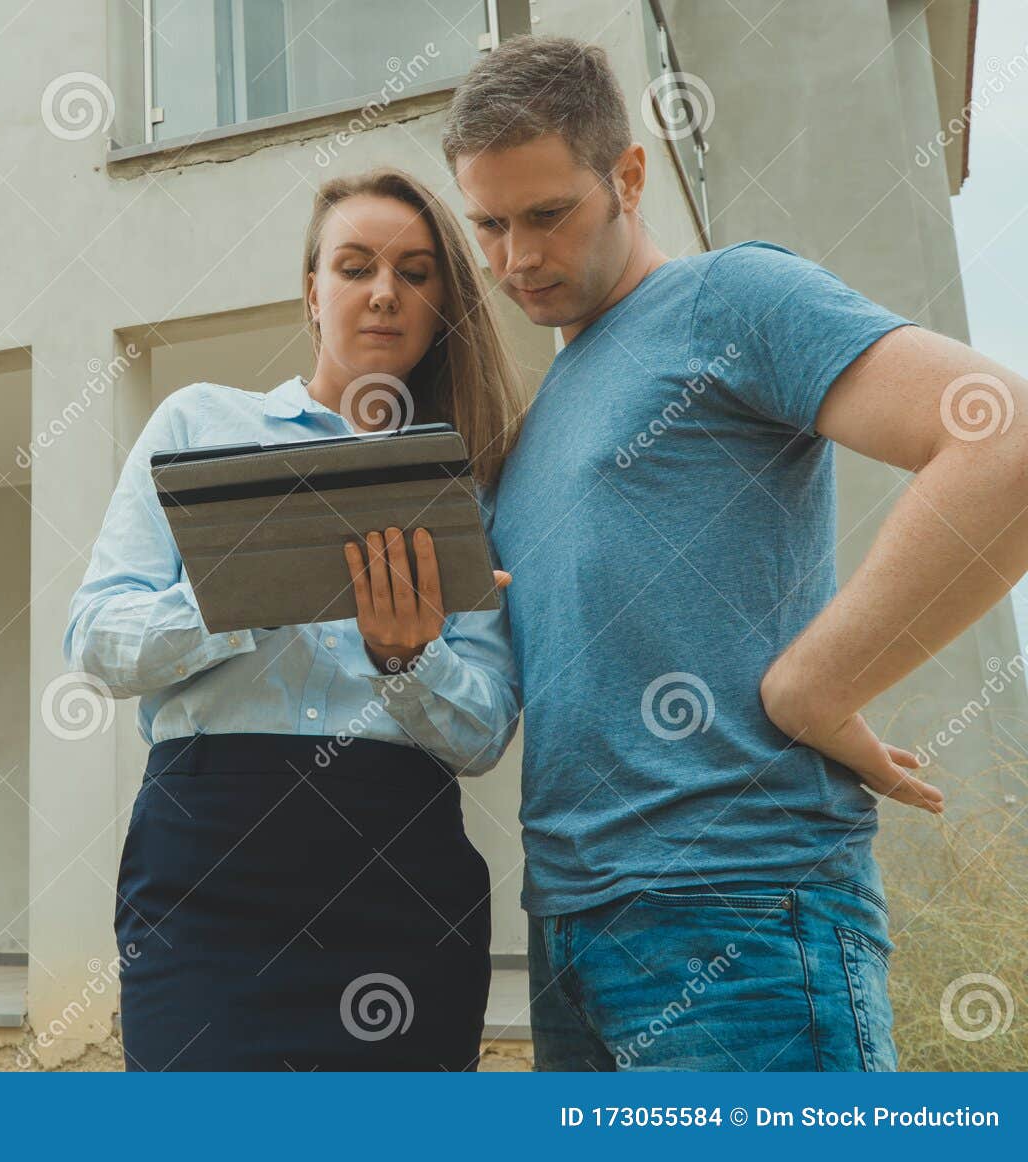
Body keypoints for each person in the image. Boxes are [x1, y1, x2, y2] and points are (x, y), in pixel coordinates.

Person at [440, 34, 1028, 1071]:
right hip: (568, 932)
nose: (514, 259)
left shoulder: (731, 299)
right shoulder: (535, 426)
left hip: (743, 914)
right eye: (486, 225)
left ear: (627, 175)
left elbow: (1003, 437)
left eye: (545, 215)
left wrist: (813, 685)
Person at [64, 166, 528, 1070]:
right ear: (312, 295)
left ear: (443, 306)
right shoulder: (199, 424)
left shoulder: (464, 485)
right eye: (354, 267)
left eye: (416, 272)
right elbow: (98, 643)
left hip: (402, 878)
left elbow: (481, 735)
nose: (385, 292)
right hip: (206, 873)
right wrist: (246, 594)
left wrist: (409, 662)